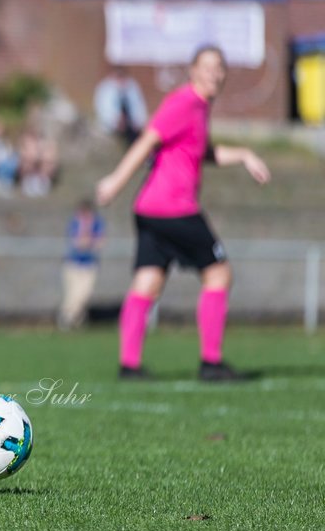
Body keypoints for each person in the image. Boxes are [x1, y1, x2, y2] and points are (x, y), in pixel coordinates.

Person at [95, 45, 270, 381]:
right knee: (219, 273)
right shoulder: (184, 102)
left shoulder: (200, 109)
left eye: (220, 67)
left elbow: (202, 153)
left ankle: (129, 366)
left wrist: (245, 155)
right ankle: (211, 362)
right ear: (192, 70)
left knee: (148, 281)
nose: (214, 73)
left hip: (149, 209)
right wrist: (116, 182)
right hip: (174, 207)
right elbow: (148, 140)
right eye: (207, 66)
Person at [57, 199, 104, 330]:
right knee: (72, 294)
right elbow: (78, 243)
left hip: (89, 264)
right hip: (73, 263)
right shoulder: (74, 223)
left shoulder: (97, 222)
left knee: (84, 294)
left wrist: (88, 240)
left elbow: (99, 243)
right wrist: (88, 239)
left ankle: (70, 319)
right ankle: (70, 321)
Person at [94, 66, 149, 149]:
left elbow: (139, 106)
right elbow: (103, 110)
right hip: (112, 131)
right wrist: (116, 120)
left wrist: (138, 122)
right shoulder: (106, 89)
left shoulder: (131, 86)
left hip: (131, 129)